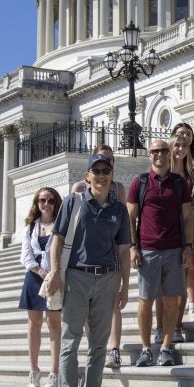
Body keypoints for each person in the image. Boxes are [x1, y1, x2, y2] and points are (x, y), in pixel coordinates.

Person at [47, 154, 130, 387]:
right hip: (77, 276)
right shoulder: (73, 202)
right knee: (71, 341)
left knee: (98, 344)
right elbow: (57, 240)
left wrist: (125, 284)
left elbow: (124, 250)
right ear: (87, 176)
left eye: (106, 170)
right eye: (97, 171)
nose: (102, 175)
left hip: (107, 278)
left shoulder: (118, 209)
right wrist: (55, 272)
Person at [127, 139, 194, 368]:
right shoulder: (140, 182)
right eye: (156, 151)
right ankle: (146, 348)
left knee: (171, 300)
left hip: (174, 248)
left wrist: (188, 247)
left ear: (169, 154)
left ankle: (166, 346)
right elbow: (130, 217)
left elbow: (187, 217)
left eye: (164, 151)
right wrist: (132, 247)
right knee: (145, 300)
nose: (160, 155)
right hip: (147, 249)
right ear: (150, 155)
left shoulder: (179, 183)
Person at [68, 146, 127, 371]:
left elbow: (123, 218)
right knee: (86, 311)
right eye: (100, 162)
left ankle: (114, 348)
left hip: (109, 251)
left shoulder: (118, 188)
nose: (104, 167)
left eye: (109, 162)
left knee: (114, 306)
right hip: (83, 257)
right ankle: (94, 344)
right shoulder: (79, 189)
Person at [19, 187, 63, 387]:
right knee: (33, 324)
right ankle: (34, 370)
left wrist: (53, 274)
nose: (46, 204)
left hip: (54, 277)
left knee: (53, 323)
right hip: (35, 277)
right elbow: (25, 256)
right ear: (36, 203)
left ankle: (54, 372)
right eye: (42, 200)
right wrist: (40, 272)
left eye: (51, 200)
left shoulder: (61, 224)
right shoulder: (30, 227)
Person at [170, 125, 194, 326]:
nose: (181, 146)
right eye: (178, 142)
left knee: (191, 265)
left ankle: (191, 305)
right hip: (170, 227)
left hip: (191, 224)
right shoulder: (165, 171)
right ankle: (172, 313)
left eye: (185, 141)